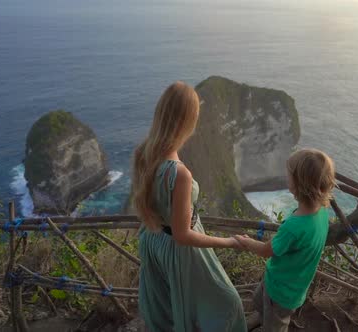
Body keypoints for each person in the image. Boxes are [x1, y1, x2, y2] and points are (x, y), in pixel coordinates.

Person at [132, 81, 247, 332]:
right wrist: (229, 242)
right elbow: (183, 235)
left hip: (154, 240)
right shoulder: (179, 174)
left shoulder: (143, 152)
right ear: (187, 121)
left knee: (171, 308)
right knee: (228, 303)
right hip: (178, 248)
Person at [235, 148, 335, 332]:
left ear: (298, 183)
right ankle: (261, 318)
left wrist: (246, 241)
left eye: (288, 174)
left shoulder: (294, 227)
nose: (285, 176)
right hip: (289, 284)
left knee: (276, 325)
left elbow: (266, 250)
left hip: (281, 293)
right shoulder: (321, 212)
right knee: (260, 301)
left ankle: (266, 323)